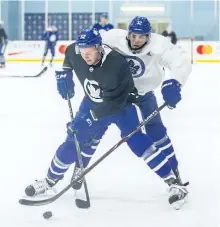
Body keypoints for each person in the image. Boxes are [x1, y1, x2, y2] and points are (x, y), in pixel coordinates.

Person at [24, 28, 187, 210]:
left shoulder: (116, 65)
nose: (84, 56)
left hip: (120, 106)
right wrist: (66, 74)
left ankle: (173, 182)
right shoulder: (75, 51)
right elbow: (70, 56)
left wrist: (88, 120)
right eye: (82, 52)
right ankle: (49, 181)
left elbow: (113, 105)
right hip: (92, 102)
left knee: (138, 142)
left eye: (89, 52)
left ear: (100, 48)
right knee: (73, 140)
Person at [72, 17, 192, 209]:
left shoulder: (159, 44)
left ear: (149, 36)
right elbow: (85, 44)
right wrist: (64, 69)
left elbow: (181, 63)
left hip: (144, 95)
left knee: (157, 132)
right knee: (93, 131)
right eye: (133, 35)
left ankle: (174, 175)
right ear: (127, 33)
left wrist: (175, 82)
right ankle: (80, 168)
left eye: (142, 37)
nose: (136, 40)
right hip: (118, 95)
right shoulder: (112, 37)